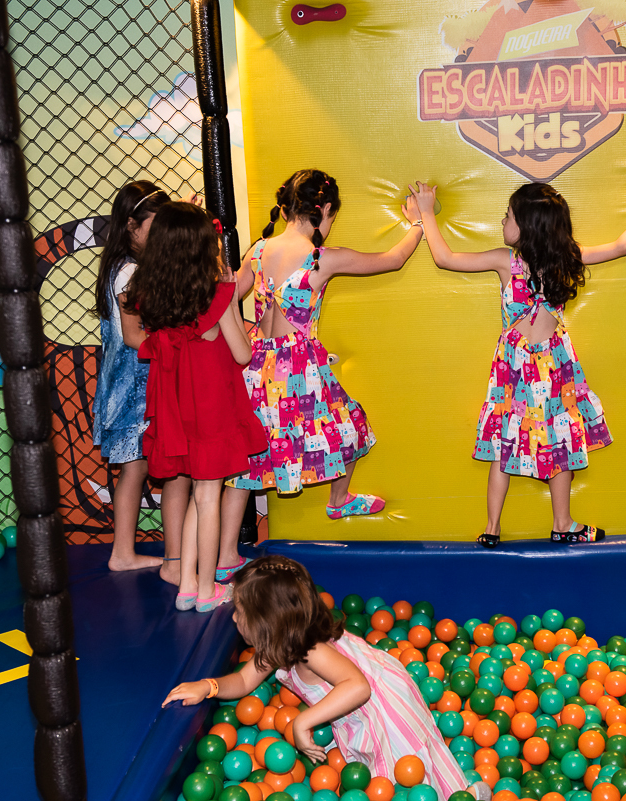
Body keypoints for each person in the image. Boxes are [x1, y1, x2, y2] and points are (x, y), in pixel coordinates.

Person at [412, 178, 626, 547]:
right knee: (539, 440)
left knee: (531, 441)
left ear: (528, 226)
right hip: (536, 364)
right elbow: (620, 247)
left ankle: (517, 527)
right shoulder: (538, 258)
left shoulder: (520, 260)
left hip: (530, 365)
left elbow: (621, 246)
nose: (503, 222)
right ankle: (527, 525)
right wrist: (424, 211)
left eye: (508, 216)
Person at [161, 556, 490, 801]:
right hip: (356, 700)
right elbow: (245, 682)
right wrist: (210, 686)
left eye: (240, 612)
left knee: (402, 773)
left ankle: (465, 795)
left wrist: (304, 722)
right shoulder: (277, 644)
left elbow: (358, 686)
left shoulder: (311, 649)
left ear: (267, 623)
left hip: (381, 704)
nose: (233, 617)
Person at [224, 169, 424, 524]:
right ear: (326, 209)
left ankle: (224, 558)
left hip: (255, 367)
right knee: (350, 425)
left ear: (286, 209)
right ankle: (339, 498)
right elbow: (392, 259)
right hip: (297, 368)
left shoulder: (258, 250)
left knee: (246, 462)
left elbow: (229, 296)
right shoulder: (320, 257)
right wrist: (419, 223)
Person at [125, 202, 268, 611]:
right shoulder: (217, 293)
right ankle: (207, 590)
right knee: (208, 496)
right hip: (210, 403)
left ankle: (188, 584)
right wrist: (233, 310)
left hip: (174, 402)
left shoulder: (152, 294)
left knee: (194, 493)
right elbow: (240, 354)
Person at [92, 181, 190, 579]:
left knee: (136, 466)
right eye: (155, 226)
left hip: (131, 379)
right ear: (131, 225)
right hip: (135, 382)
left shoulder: (124, 266)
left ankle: (126, 552)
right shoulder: (130, 271)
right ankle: (124, 553)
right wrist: (179, 338)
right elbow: (134, 336)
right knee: (135, 467)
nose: (160, 236)